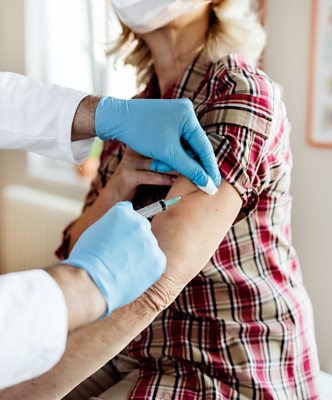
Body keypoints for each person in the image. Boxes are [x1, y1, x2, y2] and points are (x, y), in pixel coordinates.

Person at [1, 0, 321, 399]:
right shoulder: (133, 112)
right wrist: (118, 187)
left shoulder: (239, 92)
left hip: (227, 353)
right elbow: (75, 252)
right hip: (137, 346)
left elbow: (158, 286)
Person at [0, 50, 220, 389]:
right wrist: (82, 286)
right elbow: (76, 251)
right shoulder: (138, 111)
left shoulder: (232, 93)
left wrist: (100, 114)